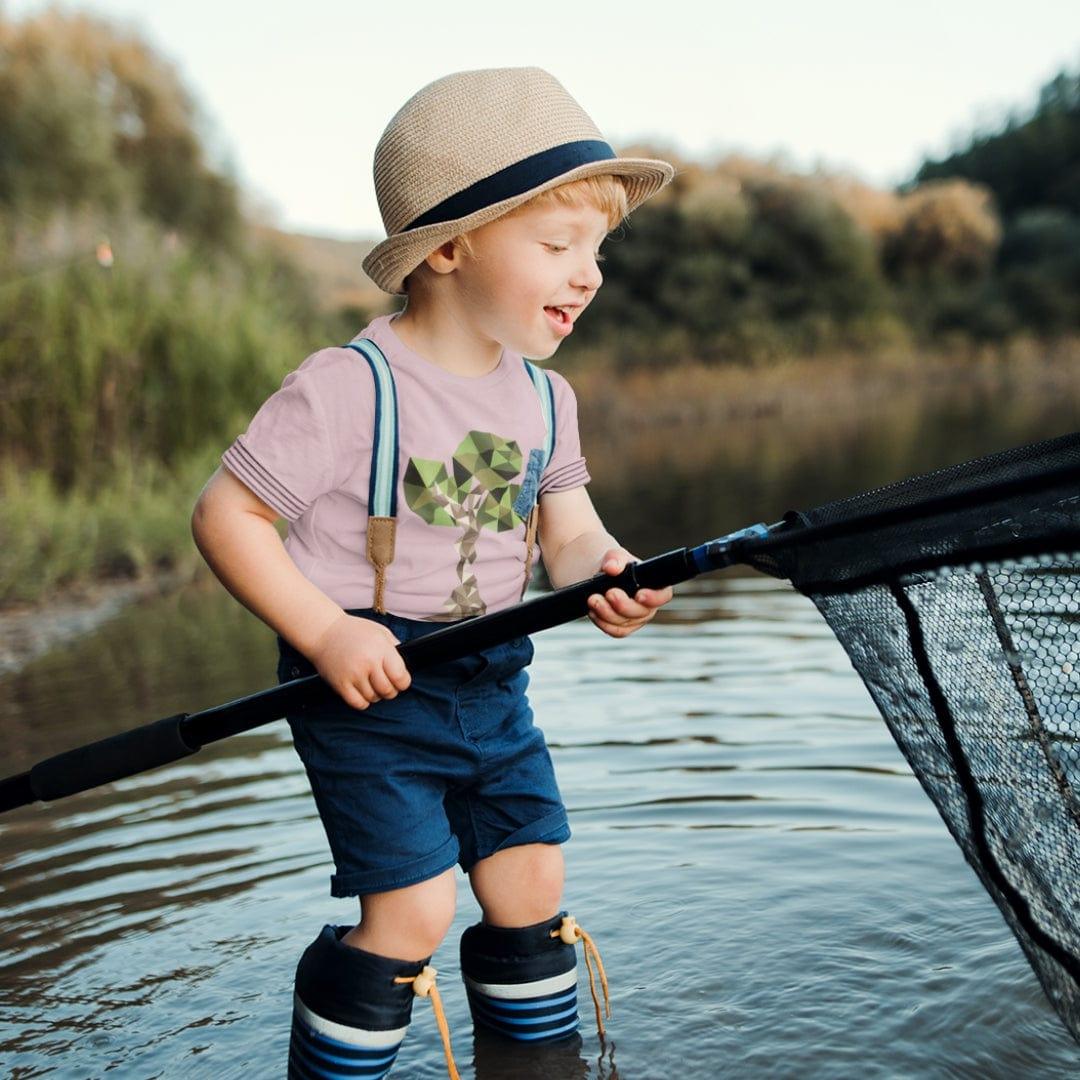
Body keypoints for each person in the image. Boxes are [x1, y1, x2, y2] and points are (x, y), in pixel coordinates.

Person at [190, 65, 675, 1079]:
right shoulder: (347, 388)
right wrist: (325, 632)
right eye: (557, 245)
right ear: (448, 248)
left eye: (595, 249)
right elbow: (227, 517)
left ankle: (538, 1069)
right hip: (365, 685)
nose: (588, 274)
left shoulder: (547, 403)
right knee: (411, 907)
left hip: (492, 681)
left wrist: (610, 572)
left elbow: (570, 536)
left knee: (533, 882)